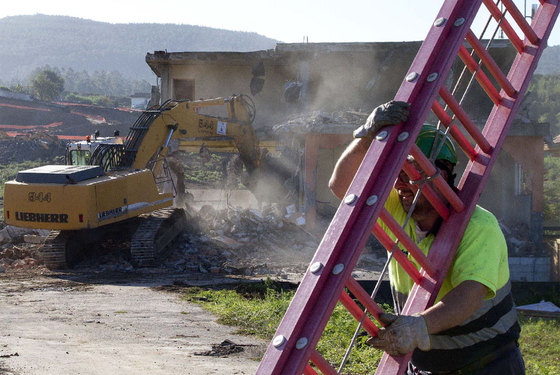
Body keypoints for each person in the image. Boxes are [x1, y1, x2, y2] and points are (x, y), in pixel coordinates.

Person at [328, 101, 525, 375]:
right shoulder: (399, 210)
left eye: (411, 172)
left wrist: (418, 326)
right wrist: (368, 136)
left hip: (487, 366)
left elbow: (470, 295)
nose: (400, 183)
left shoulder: (479, 226)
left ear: (443, 173)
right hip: (426, 367)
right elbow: (341, 186)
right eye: (397, 173)